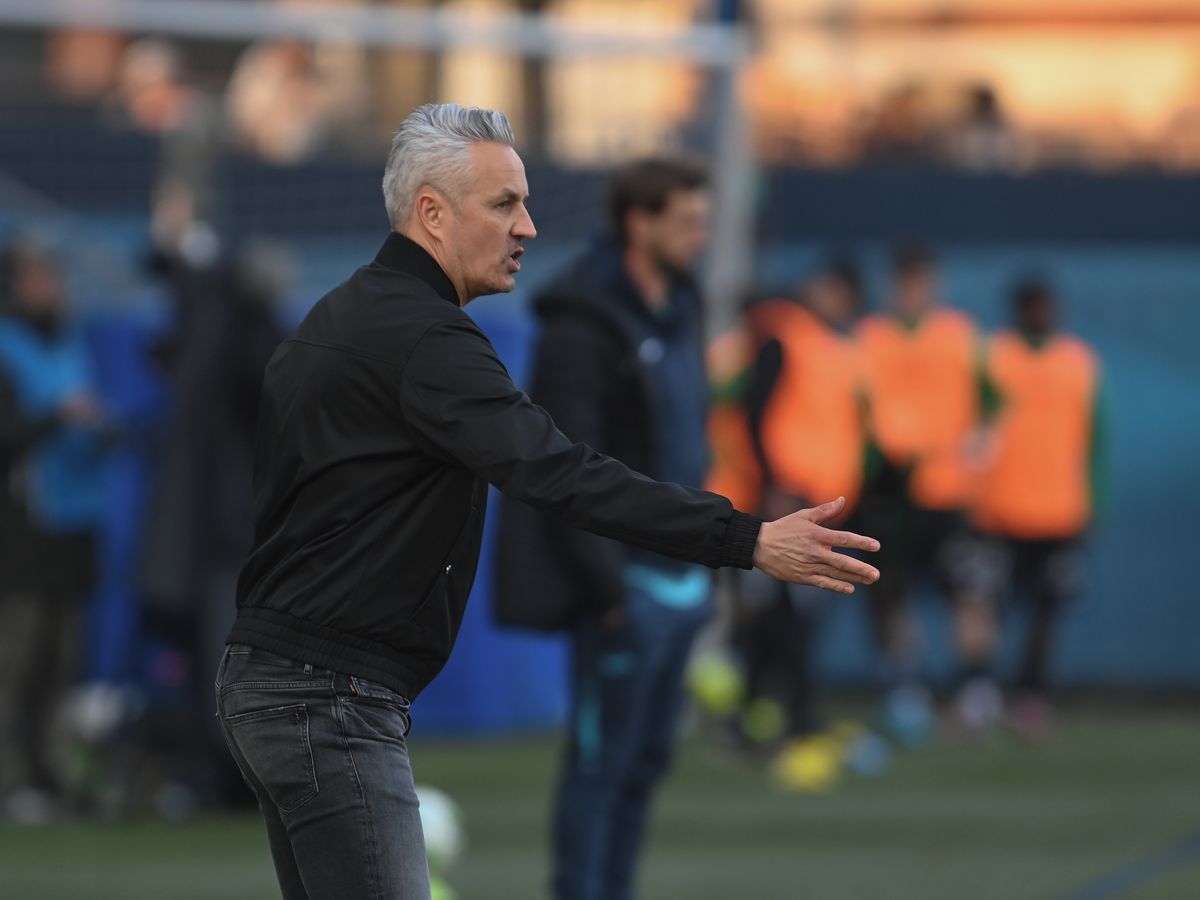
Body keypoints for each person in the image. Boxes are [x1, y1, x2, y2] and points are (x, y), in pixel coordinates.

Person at [215, 103, 881, 900]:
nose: (527, 226)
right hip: (329, 697)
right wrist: (747, 539)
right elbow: (560, 472)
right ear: (432, 213)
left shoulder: (334, 319)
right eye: (504, 204)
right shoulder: (428, 340)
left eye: (524, 203)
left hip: (272, 679)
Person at [494, 156, 725, 899]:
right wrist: (609, 588)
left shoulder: (683, 304)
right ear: (639, 223)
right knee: (601, 766)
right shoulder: (583, 323)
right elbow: (566, 466)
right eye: (686, 222)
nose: (700, 236)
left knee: (646, 764)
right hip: (625, 586)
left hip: (681, 580)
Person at [735, 260, 872, 789]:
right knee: (792, 614)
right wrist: (773, 481)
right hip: (792, 501)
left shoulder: (835, 347)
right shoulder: (785, 335)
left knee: (789, 616)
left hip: (825, 501)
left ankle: (761, 714)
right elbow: (754, 410)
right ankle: (796, 723)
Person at [854, 243, 991, 744]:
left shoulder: (961, 335)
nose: (913, 290)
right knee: (893, 593)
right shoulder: (869, 338)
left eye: (921, 280)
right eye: (906, 280)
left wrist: (982, 442)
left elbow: (994, 399)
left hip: (948, 492)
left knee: (969, 591)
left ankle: (975, 690)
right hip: (891, 494)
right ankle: (906, 691)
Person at [964, 278, 1104, 741]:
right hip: (998, 511)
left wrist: (1095, 504)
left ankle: (1030, 695)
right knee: (984, 603)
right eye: (1032, 307)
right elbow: (970, 423)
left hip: (1060, 513)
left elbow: (1097, 437)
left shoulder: (1078, 361)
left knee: (1046, 613)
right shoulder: (993, 356)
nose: (1040, 314)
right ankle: (980, 692)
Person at [0, 237, 109, 823]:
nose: (50, 286)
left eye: (53, 275)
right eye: (37, 276)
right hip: (23, 527)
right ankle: (9, 776)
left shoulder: (68, 343)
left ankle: (49, 773)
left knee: (61, 657)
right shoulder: (6, 347)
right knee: (15, 656)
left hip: (74, 524)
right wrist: (57, 416)